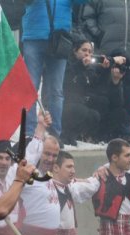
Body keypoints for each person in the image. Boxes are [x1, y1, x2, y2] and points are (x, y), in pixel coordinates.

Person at [82, 0, 130, 136]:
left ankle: (124, 134)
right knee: (105, 96)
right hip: (107, 57)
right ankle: (102, 133)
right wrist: (99, 35)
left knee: (129, 98)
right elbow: (87, 16)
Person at [22, 0, 87, 138]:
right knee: (30, 88)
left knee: (56, 90)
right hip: (34, 36)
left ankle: (54, 135)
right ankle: (29, 133)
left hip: (59, 39)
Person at [52, 151, 79, 235]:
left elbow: (91, 184)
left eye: (73, 167)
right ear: (56, 168)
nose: (73, 171)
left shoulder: (68, 187)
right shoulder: (48, 190)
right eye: (69, 167)